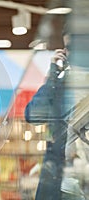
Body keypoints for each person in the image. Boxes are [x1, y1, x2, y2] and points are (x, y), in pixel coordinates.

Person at [25, 26, 86, 200]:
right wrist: (53, 76)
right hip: (64, 182)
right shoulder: (61, 84)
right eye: (68, 48)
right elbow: (33, 115)